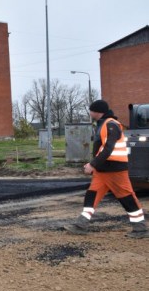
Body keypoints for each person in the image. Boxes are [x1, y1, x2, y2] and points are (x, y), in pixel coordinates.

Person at [63, 99, 147, 238]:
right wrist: (94, 164)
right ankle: (81, 224)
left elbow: (108, 149)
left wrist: (92, 165)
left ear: (98, 112)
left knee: (127, 198)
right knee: (92, 195)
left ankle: (141, 228)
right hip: (103, 170)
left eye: (91, 110)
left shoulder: (111, 125)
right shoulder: (103, 125)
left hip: (115, 170)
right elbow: (102, 149)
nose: (90, 112)